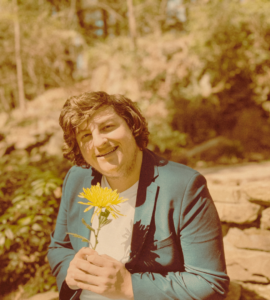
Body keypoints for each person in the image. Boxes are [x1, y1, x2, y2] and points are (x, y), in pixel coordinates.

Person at [47, 91, 229, 300]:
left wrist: (127, 285)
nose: (98, 142)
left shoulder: (184, 186)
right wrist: (71, 271)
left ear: (132, 127)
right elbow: (59, 247)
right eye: (86, 136)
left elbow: (210, 282)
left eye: (107, 127)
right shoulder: (77, 179)